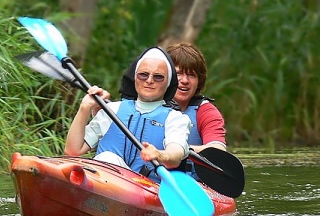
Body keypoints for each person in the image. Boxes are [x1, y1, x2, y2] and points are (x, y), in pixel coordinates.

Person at [64, 47, 191, 183]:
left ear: (168, 83)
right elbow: (73, 150)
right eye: (143, 74)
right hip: (101, 181)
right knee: (108, 158)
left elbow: (175, 156)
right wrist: (85, 107)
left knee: (108, 158)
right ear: (135, 78)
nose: (149, 80)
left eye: (158, 77)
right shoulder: (112, 110)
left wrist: (160, 154)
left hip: (144, 190)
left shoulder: (176, 119)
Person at [119, 42, 226, 180]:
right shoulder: (141, 105)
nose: (185, 80)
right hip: (138, 180)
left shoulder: (205, 111)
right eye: (179, 73)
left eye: (191, 75)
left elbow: (218, 151)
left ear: (199, 81)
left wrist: (179, 149)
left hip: (184, 182)